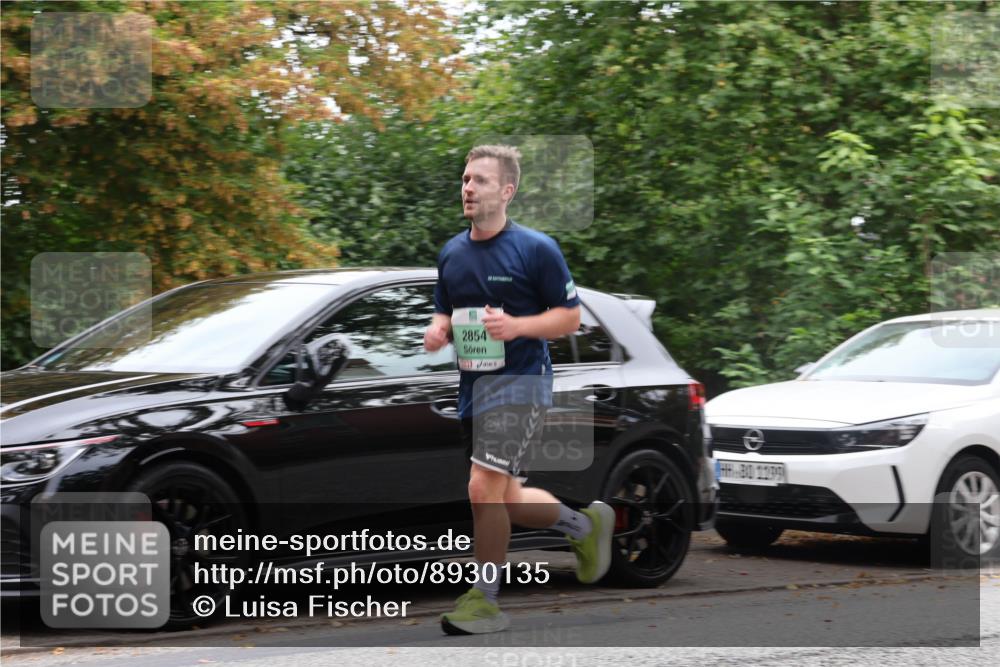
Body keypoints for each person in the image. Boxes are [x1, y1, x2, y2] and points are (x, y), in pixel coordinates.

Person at [424, 144, 615, 635]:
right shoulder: (452, 252)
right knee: (505, 498)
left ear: (506, 191)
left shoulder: (535, 249)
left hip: (522, 384)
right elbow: (445, 307)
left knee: (481, 487)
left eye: (480, 180)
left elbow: (569, 318)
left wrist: (517, 327)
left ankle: (485, 600)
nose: (468, 188)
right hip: (474, 388)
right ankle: (584, 526)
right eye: (465, 179)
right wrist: (438, 329)